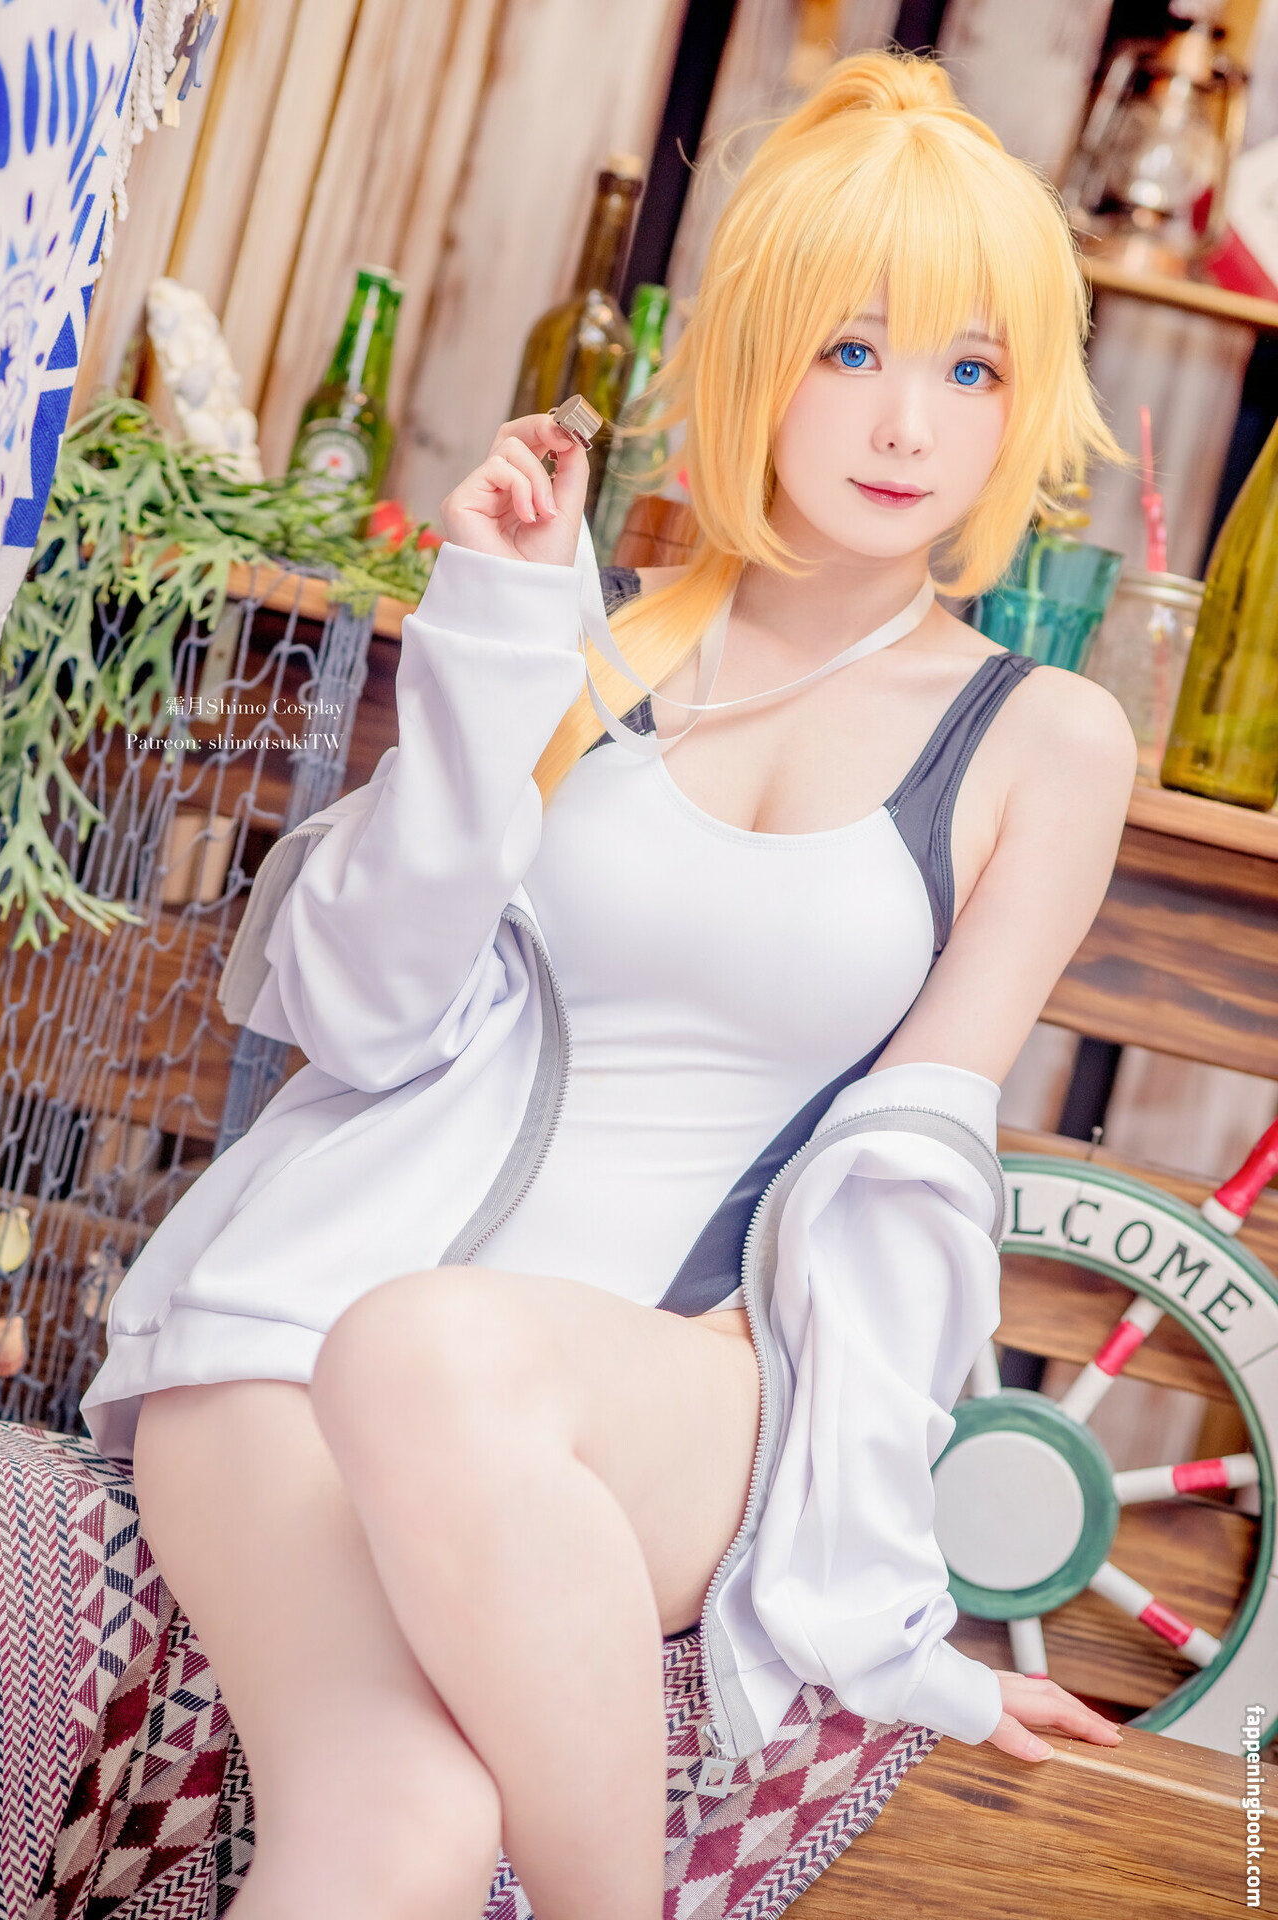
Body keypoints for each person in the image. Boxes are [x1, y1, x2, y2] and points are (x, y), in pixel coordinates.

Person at [80, 46, 1140, 1920]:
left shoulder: (1040, 739)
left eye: (972, 370)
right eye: (851, 348)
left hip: (664, 1386)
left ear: (1025, 403)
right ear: (756, 360)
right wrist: (496, 641)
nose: (909, 422)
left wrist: (897, 1624)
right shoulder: (592, 647)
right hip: (287, 1337)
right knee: (400, 1822)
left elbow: (906, 1172)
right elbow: (362, 1016)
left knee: (431, 1350)